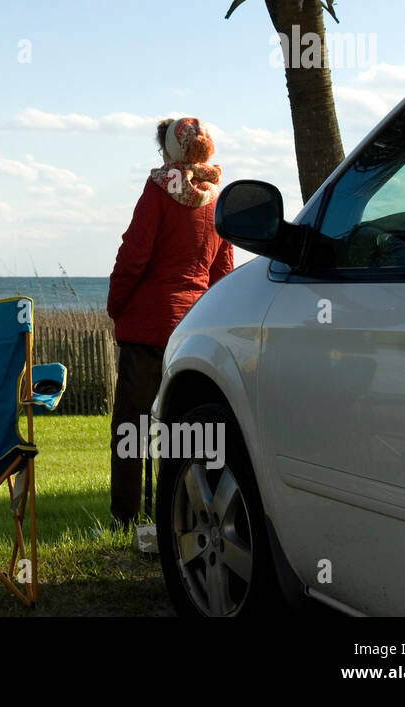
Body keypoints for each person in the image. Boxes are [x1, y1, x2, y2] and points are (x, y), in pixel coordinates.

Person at [106, 116, 234, 530]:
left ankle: (126, 519)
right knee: (185, 431)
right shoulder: (217, 196)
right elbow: (223, 270)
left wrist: (116, 305)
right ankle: (181, 518)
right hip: (193, 331)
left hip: (147, 328)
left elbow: (134, 255)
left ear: (173, 150)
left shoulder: (159, 190)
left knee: (132, 427)